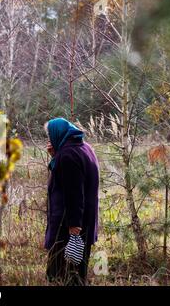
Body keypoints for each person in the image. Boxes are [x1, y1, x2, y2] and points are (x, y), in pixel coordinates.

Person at [44, 117, 99, 286]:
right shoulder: (84, 147)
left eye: (49, 135)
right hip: (83, 221)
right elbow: (68, 178)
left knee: (62, 275)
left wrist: (74, 227)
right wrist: (55, 155)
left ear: (58, 134)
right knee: (76, 271)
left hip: (68, 227)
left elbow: (74, 192)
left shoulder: (68, 155)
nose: (48, 139)